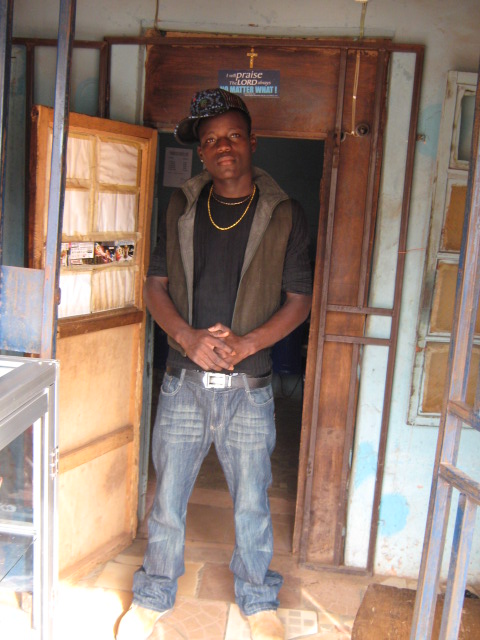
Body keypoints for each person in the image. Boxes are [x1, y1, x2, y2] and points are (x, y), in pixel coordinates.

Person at [116, 88, 312, 640]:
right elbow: (154, 285)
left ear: (252, 142)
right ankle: (153, 596)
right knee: (168, 499)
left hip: (249, 387)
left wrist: (246, 344)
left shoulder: (285, 213)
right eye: (211, 141)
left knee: (252, 502)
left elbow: (300, 299)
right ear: (201, 152)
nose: (223, 147)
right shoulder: (181, 206)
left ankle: (258, 601)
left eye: (233, 136)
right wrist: (187, 337)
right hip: (183, 381)